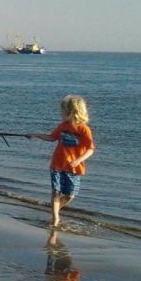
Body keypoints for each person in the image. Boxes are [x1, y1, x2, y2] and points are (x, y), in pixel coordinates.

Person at [26, 95, 95, 228]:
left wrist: (78, 160)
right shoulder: (63, 126)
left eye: (63, 112)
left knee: (70, 195)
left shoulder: (83, 129)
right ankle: (55, 217)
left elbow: (90, 149)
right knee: (56, 191)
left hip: (73, 167)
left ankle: (55, 210)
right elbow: (52, 138)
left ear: (72, 112)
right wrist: (36, 135)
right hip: (58, 164)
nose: (61, 114)